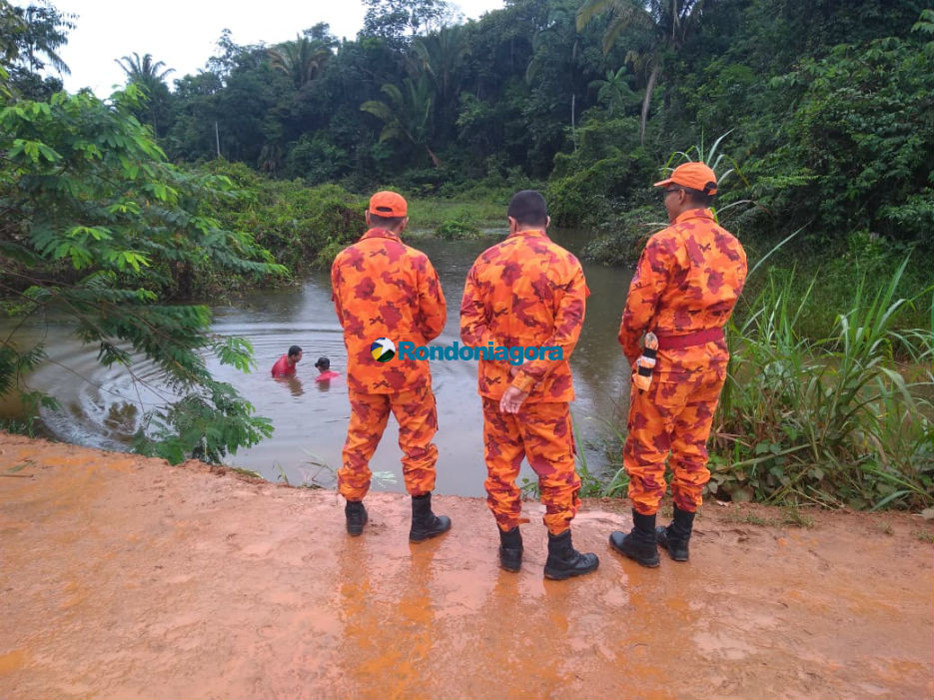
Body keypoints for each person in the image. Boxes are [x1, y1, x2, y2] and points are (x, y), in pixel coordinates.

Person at [609, 162, 747, 567]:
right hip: (713, 358)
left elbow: (636, 311)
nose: (666, 199)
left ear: (682, 195)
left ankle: (643, 540)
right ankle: (680, 538)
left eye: (668, 192)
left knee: (648, 447)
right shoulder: (734, 246)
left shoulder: (665, 243)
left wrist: (633, 355)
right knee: (693, 446)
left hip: (668, 361)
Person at [460, 190, 598, 580]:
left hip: (496, 391)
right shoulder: (567, 263)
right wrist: (527, 377)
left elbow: (470, 330)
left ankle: (510, 551)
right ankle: (560, 556)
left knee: (501, 468)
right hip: (546, 392)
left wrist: (510, 368)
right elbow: (565, 336)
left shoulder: (485, 261)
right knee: (555, 470)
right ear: (547, 222)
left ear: (511, 223)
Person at [330, 190, 451, 541]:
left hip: (363, 368)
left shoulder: (343, 260)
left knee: (360, 437)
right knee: (417, 441)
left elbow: (343, 314)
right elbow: (435, 320)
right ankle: (422, 521)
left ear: (368, 218)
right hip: (407, 370)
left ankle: (354, 513)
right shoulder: (416, 261)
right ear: (404, 222)